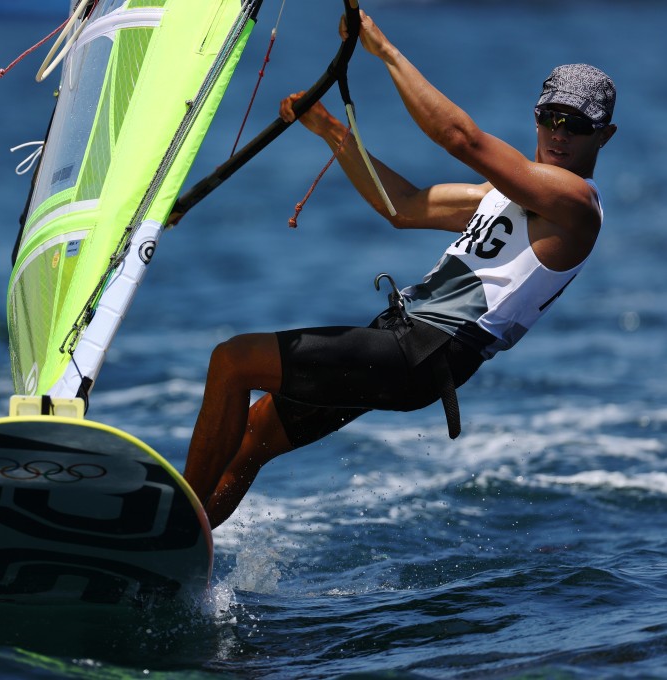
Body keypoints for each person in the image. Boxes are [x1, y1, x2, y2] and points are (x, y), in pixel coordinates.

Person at [183, 9, 617, 530]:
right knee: (255, 435)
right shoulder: (496, 197)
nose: (559, 134)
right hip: (400, 343)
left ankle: (170, 526)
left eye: (577, 125)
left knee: (232, 361)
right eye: (550, 118)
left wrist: (385, 51)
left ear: (604, 136)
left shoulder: (577, 207)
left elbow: (463, 139)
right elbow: (402, 205)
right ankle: (192, 548)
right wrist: (331, 132)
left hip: (423, 351)